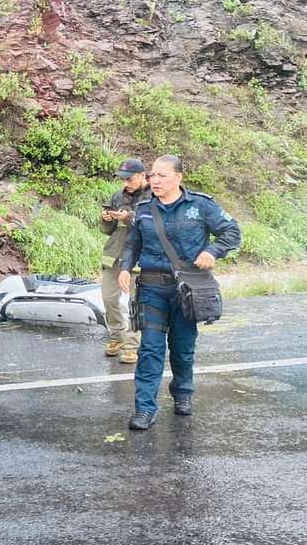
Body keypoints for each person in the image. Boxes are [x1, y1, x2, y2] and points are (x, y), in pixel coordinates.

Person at [118, 155, 241, 431]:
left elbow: (232, 232)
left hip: (188, 289)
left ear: (178, 177)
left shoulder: (201, 206)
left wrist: (212, 251)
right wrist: (125, 268)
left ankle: (183, 392)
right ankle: (145, 409)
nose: (155, 180)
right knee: (150, 348)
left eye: (162, 175)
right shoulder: (145, 209)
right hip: (151, 287)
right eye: (152, 175)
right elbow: (132, 243)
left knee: (183, 348)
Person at [99, 159, 150, 364]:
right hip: (115, 256)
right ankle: (117, 336)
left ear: (142, 176)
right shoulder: (118, 196)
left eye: (130, 179)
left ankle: (132, 344)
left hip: (141, 257)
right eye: (123, 179)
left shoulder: (153, 196)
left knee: (135, 304)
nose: (126, 183)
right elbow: (106, 231)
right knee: (108, 298)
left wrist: (129, 217)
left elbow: (148, 224)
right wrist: (107, 219)